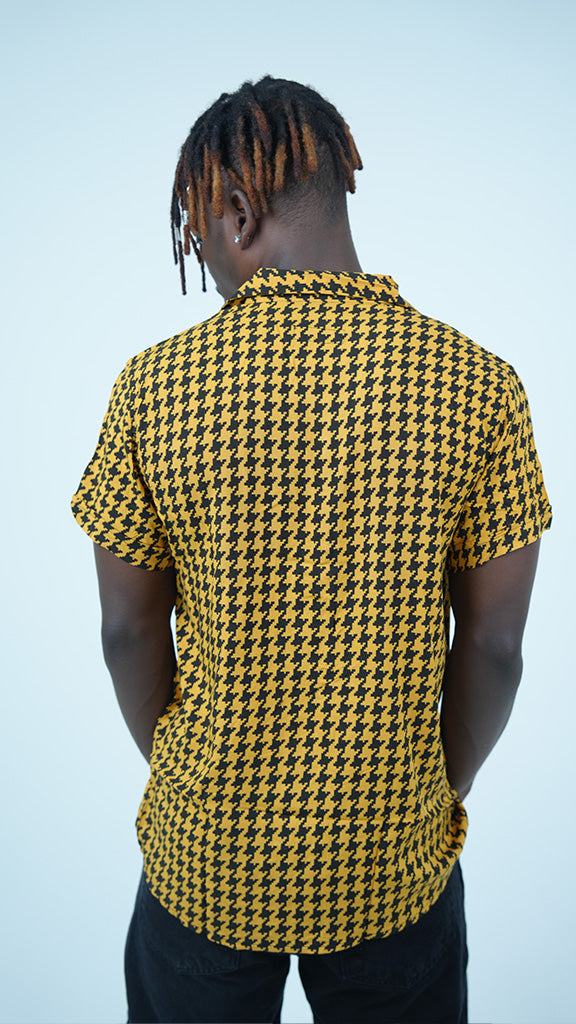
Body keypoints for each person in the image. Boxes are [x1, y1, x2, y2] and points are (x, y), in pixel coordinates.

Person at [71, 76, 552, 1024]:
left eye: (198, 231)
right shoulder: (478, 387)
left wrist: (195, 780)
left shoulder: (154, 389)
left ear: (239, 212)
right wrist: (430, 790)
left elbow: (127, 633)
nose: (206, 261)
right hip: (392, 864)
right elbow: (495, 647)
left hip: (206, 862)